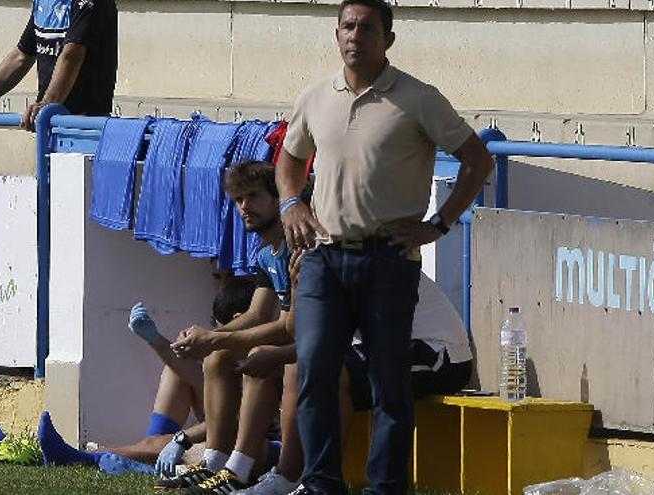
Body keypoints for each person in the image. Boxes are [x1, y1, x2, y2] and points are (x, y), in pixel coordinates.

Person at [275, 0, 495, 491]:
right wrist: (291, 204)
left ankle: (386, 487)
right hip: (324, 257)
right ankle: (319, 483)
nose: (356, 35)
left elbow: (477, 160)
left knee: (388, 383)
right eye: (348, 26)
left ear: (387, 39)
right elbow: (289, 160)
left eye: (367, 28)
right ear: (336, 35)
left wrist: (437, 224)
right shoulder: (315, 96)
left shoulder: (418, 98)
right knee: (313, 372)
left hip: (387, 258)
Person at [236, 272, 474, 495]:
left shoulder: (356, 259)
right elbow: (301, 334)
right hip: (386, 348)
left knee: (328, 369)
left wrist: (268, 353)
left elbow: (323, 339)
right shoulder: (322, 260)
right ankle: (244, 470)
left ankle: (320, 482)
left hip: (439, 354)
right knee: (289, 363)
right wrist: (298, 288)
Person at [160, 160, 299, 493]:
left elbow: (288, 328)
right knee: (218, 358)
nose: (244, 207)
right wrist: (207, 337)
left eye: (252, 196)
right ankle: (215, 462)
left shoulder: (298, 245)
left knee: (259, 356)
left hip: (332, 344)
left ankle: (241, 469)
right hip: (304, 340)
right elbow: (256, 314)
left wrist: (214, 338)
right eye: (238, 200)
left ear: (278, 198)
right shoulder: (267, 251)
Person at [33, 278, 260, 476]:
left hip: (255, 450)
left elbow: (234, 422)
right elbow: (199, 382)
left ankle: (83, 457)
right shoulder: (237, 355)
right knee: (179, 371)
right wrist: (156, 340)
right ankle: (148, 453)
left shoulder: (261, 358)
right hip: (222, 437)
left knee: (184, 444)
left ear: (240, 320)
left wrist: (181, 439)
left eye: (220, 329)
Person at [0, 0, 117, 131]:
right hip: (51, 125)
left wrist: (47, 104)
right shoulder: (45, 2)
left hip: (85, 126)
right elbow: (21, 57)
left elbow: (72, 55)